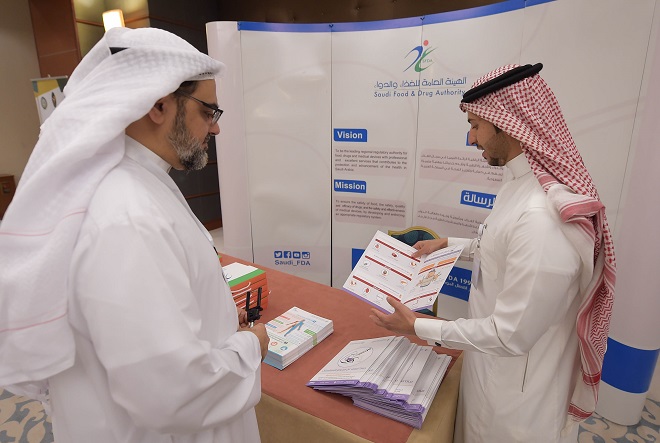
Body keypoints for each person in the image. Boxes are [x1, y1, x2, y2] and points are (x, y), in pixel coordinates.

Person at [0, 27, 269, 442]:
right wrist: (251, 345)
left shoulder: (135, 184)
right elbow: (173, 393)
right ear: (159, 105)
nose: (215, 129)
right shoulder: (125, 215)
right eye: (208, 112)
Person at [370, 64, 616, 443]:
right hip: (487, 369)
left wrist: (418, 326)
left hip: (516, 404)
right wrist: (448, 245)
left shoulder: (542, 218)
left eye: (475, 125)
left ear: (506, 124)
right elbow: (502, 247)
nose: (471, 138)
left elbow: (509, 335)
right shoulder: (520, 185)